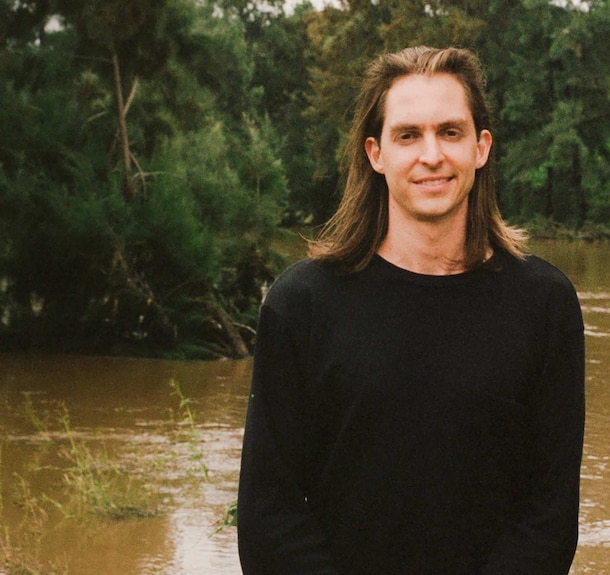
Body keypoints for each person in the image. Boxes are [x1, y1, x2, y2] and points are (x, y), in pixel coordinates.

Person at [237, 46, 585, 575]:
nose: (431, 155)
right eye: (408, 135)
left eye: (450, 131)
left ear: (481, 147)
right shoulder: (301, 306)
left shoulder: (545, 304)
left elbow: (550, 513)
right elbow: (269, 513)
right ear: (376, 154)